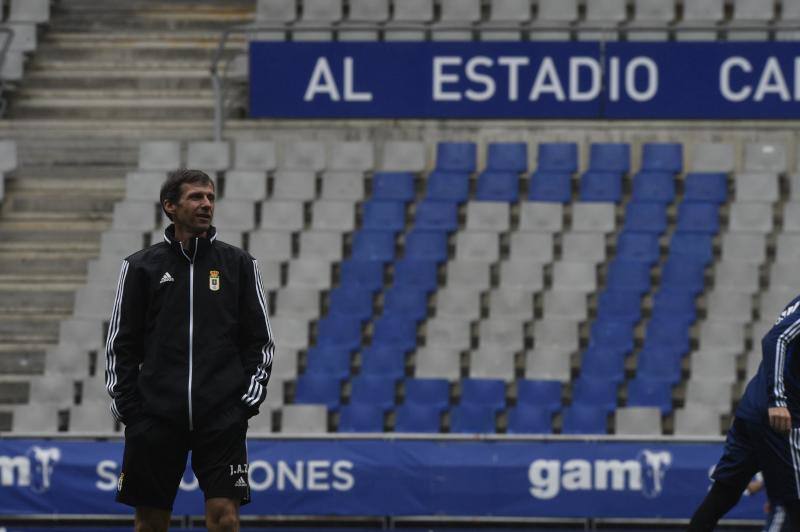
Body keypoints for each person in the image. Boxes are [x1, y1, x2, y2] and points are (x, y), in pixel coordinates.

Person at [105, 169, 275, 532]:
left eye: (211, 197)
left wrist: (243, 404)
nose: (206, 205)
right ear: (170, 206)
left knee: (225, 519)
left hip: (221, 418)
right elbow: (122, 343)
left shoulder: (240, 264)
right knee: (150, 523)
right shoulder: (140, 267)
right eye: (196, 197)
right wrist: (131, 410)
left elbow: (260, 341)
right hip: (155, 418)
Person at [687, 295, 800, 531]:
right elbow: (775, 340)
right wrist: (777, 400)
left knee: (724, 492)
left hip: (752, 410)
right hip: (780, 417)